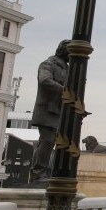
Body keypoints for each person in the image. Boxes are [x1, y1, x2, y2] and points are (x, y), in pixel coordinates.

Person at [30, 40, 69, 185]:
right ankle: (38, 173)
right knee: (47, 140)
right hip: (46, 109)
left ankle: (42, 172)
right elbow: (45, 80)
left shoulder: (68, 68)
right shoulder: (48, 64)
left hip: (59, 111)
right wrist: (65, 91)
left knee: (50, 141)